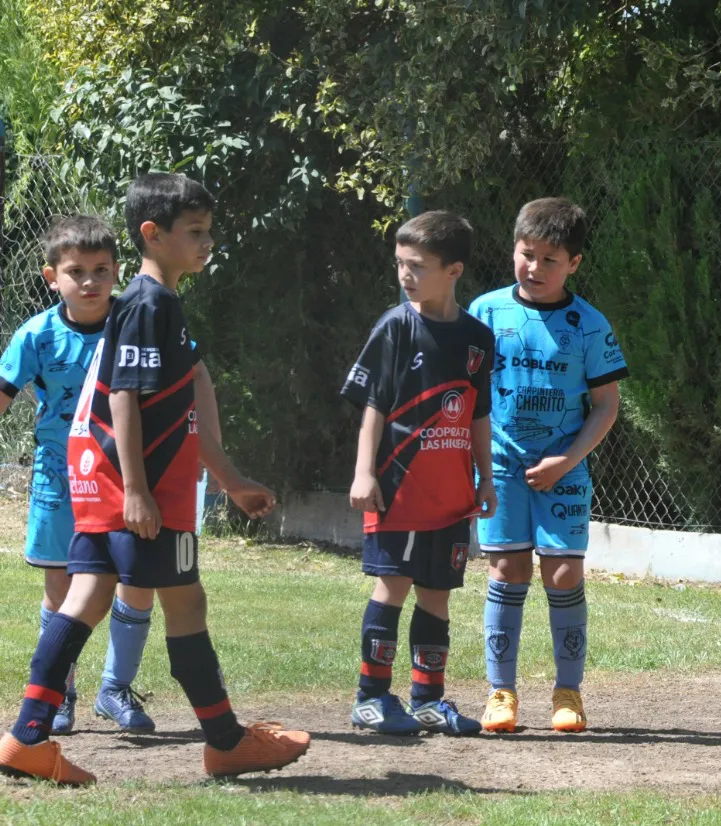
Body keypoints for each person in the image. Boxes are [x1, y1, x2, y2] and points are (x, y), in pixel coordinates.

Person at [0, 173, 309, 784]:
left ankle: (27, 737)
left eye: (209, 231)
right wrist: (139, 489)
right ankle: (224, 741)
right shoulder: (150, 304)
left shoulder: (143, 304)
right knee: (185, 601)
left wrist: (230, 477)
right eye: (195, 232)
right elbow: (123, 398)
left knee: (88, 598)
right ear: (153, 234)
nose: (207, 243)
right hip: (138, 491)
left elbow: (181, 406)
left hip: (106, 485)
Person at [469, 198, 628, 733]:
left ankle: (568, 694)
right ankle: (500, 693)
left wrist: (565, 460)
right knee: (506, 569)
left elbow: (607, 406)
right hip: (498, 467)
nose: (534, 268)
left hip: (565, 468)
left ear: (575, 263)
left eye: (550, 260)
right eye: (526, 254)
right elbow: (464, 394)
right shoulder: (485, 313)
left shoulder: (589, 325)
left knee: (562, 573)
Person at [0, 215, 158, 735]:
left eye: (101, 270)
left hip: (131, 478)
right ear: (52, 277)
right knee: (62, 588)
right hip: (59, 481)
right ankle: (60, 693)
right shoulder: (37, 335)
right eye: (76, 272)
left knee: (137, 582)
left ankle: (115, 689)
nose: (89, 282)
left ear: (117, 272)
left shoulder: (135, 324)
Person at [342, 210, 495, 737]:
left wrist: (486, 479)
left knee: (437, 594)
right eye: (400, 264)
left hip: (450, 496)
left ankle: (428, 699)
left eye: (418, 266)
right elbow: (373, 407)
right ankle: (370, 698)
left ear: (453, 270)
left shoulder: (477, 338)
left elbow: (477, 413)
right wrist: (365, 473)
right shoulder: (395, 326)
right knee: (392, 587)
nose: (405, 275)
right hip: (398, 490)